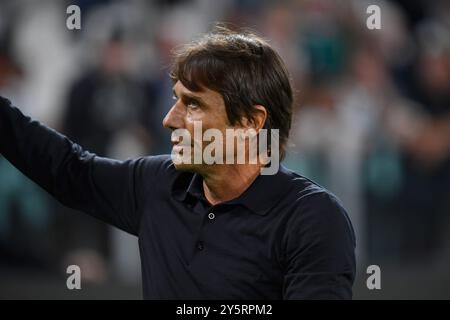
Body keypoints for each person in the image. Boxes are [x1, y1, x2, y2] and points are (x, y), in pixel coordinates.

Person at [0, 27, 356, 299]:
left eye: (194, 105)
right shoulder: (158, 183)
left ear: (251, 121)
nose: (170, 119)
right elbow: (68, 170)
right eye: (176, 100)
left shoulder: (312, 218)